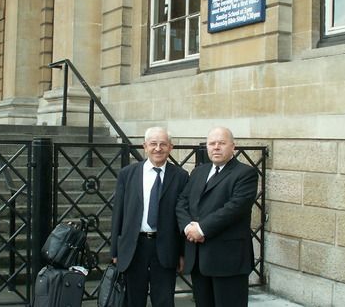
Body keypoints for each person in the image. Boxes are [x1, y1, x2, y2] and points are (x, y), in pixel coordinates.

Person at [176, 127, 259, 307]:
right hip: (199, 257)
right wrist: (187, 228)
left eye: (221, 143)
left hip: (228, 259)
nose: (216, 147)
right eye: (212, 143)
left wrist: (201, 228)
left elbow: (235, 208)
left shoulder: (245, 173)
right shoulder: (199, 172)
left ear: (233, 147)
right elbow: (182, 201)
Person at [110, 127, 189, 307]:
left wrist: (183, 253)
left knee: (164, 300)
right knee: (133, 299)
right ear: (145, 146)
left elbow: (183, 216)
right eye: (153, 144)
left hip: (165, 247)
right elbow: (119, 213)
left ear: (171, 147)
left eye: (163, 144)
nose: (158, 148)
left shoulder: (181, 176)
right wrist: (115, 250)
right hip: (134, 246)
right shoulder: (127, 174)